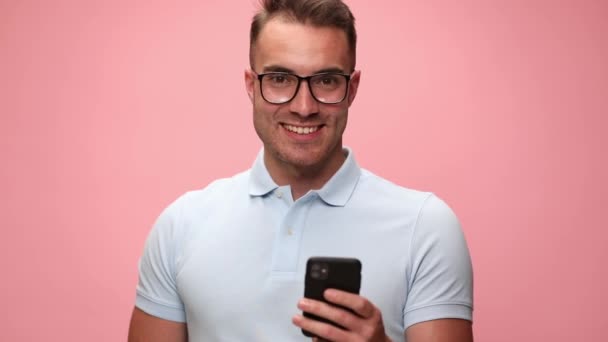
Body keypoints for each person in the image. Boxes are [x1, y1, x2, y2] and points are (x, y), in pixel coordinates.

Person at [128, 0, 474, 341]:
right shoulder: (180, 226)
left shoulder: (425, 227)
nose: (304, 107)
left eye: (326, 81)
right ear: (251, 85)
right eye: (280, 78)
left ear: (351, 88)